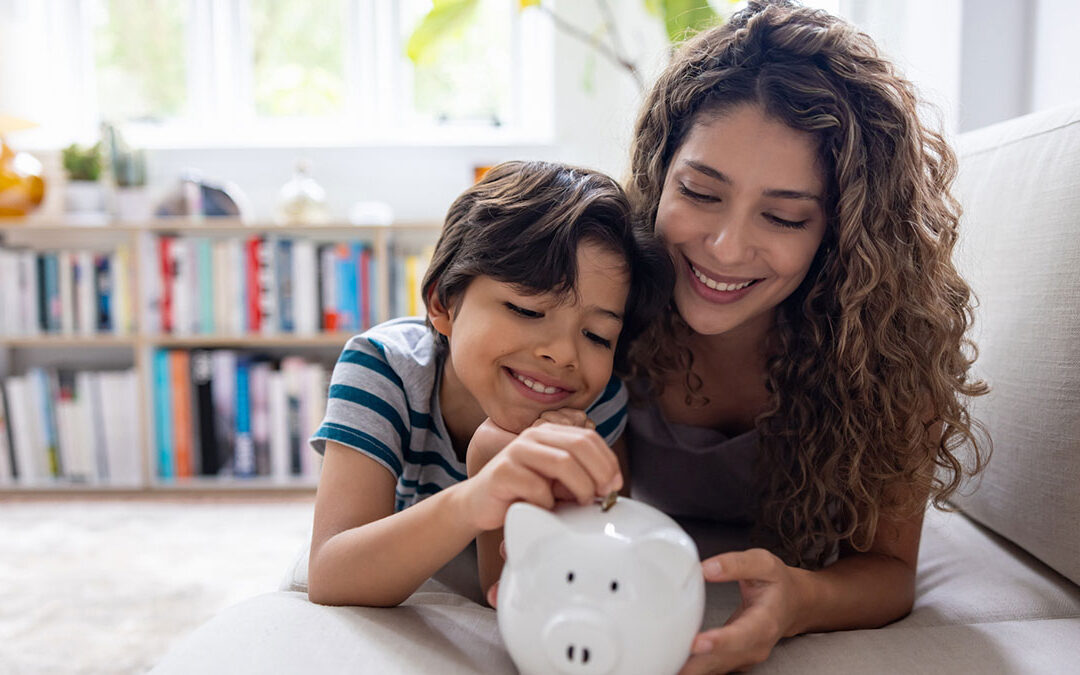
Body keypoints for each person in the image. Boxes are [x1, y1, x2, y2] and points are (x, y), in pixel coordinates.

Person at [621, 2, 990, 672]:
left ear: (840, 233)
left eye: (784, 216)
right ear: (659, 173)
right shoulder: (606, 293)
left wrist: (799, 600)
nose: (727, 249)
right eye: (701, 194)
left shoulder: (889, 348)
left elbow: (887, 568)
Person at [306, 160, 672, 607]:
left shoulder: (596, 402)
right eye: (527, 310)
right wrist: (473, 499)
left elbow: (526, 593)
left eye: (597, 335)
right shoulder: (382, 369)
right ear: (443, 303)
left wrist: (494, 452)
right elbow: (331, 574)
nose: (563, 354)